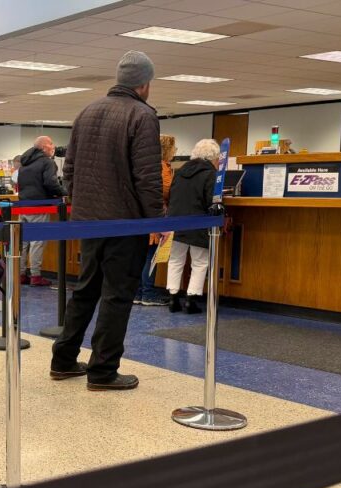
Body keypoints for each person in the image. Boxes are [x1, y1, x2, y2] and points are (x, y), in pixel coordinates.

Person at [49, 51, 164, 391]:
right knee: (117, 295)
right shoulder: (142, 116)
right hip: (124, 223)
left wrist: (81, 205)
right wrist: (155, 219)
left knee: (86, 290)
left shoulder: (86, 112)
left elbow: (68, 170)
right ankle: (103, 370)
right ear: (144, 83)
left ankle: (64, 360)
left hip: (89, 222)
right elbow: (147, 176)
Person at [167, 139, 220, 315]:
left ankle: (173, 298)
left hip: (176, 222)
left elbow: (172, 195)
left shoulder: (181, 171)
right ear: (213, 157)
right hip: (198, 222)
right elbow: (211, 201)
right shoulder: (210, 174)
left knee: (175, 260)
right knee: (200, 262)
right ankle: (191, 300)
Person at [17, 135, 65, 287]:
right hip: (40, 205)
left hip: (23, 205)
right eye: (51, 144)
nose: (53, 147)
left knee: (23, 241)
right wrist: (63, 192)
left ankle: (21, 274)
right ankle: (36, 276)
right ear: (44, 147)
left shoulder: (24, 163)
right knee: (37, 241)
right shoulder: (47, 162)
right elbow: (50, 183)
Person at [135, 134, 176, 305]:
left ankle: (137, 293)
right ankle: (149, 293)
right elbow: (166, 191)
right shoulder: (163, 168)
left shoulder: (144, 165)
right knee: (150, 256)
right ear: (167, 149)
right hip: (155, 216)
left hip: (140, 216)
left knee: (140, 256)